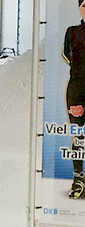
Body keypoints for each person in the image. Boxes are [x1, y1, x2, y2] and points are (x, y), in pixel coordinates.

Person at [62, 0, 85, 198]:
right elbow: (66, 55)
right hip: (77, 89)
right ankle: (78, 178)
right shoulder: (72, 32)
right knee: (78, 135)